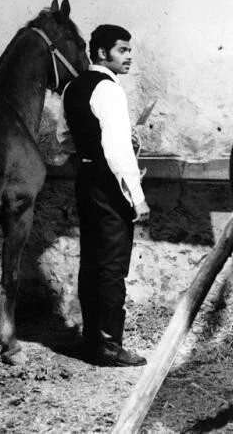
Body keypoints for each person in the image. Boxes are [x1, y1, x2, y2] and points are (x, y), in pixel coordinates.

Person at [57, 24, 150, 367]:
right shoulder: (109, 89)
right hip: (109, 185)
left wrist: (92, 148)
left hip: (85, 179)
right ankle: (109, 347)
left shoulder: (71, 88)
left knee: (92, 262)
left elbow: (65, 139)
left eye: (129, 50)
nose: (129, 57)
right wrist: (137, 197)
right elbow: (117, 153)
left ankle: (92, 341)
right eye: (122, 50)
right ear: (101, 53)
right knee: (112, 266)